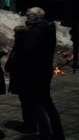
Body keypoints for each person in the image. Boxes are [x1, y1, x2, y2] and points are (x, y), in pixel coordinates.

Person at [22, 7, 65, 140]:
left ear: (37, 16)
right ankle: (58, 133)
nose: (26, 17)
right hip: (44, 70)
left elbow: (28, 50)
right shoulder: (47, 27)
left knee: (37, 103)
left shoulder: (37, 30)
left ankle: (45, 134)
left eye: (29, 15)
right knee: (47, 101)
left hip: (36, 72)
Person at [4, 25, 37, 134]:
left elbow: (20, 61)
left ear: (21, 34)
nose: (14, 35)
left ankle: (29, 126)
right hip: (22, 78)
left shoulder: (24, 45)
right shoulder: (20, 44)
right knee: (25, 103)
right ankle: (28, 124)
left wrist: (11, 66)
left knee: (27, 103)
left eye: (16, 33)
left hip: (24, 79)